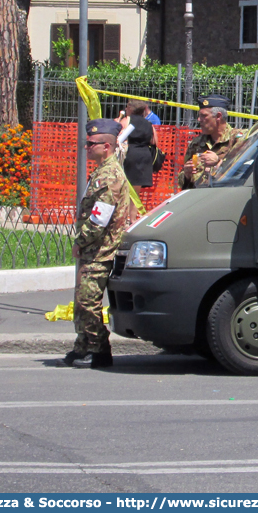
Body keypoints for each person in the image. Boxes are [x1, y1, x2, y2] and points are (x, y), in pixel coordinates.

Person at [63, 119, 134, 369]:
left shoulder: (110, 175)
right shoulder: (102, 171)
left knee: (88, 300)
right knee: (83, 299)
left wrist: (80, 243)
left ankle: (99, 349)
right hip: (94, 249)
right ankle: (82, 346)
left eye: (91, 143)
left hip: (100, 249)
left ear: (106, 146)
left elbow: (99, 219)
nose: (86, 146)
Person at [177, 94, 246, 189]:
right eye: (199, 116)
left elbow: (243, 172)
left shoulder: (238, 139)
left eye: (204, 116)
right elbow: (182, 181)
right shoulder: (196, 143)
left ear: (218, 116)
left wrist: (218, 162)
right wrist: (186, 175)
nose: (199, 120)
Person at [117, 100, 155, 192]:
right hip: (144, 156)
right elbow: (154, 141)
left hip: (130, 155)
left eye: (127, 107)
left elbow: (118, 138)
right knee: (135, 194)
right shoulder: (148, 123)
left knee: (124, 191)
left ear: (130, 108)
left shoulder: (126, 121)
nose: (126, 109)